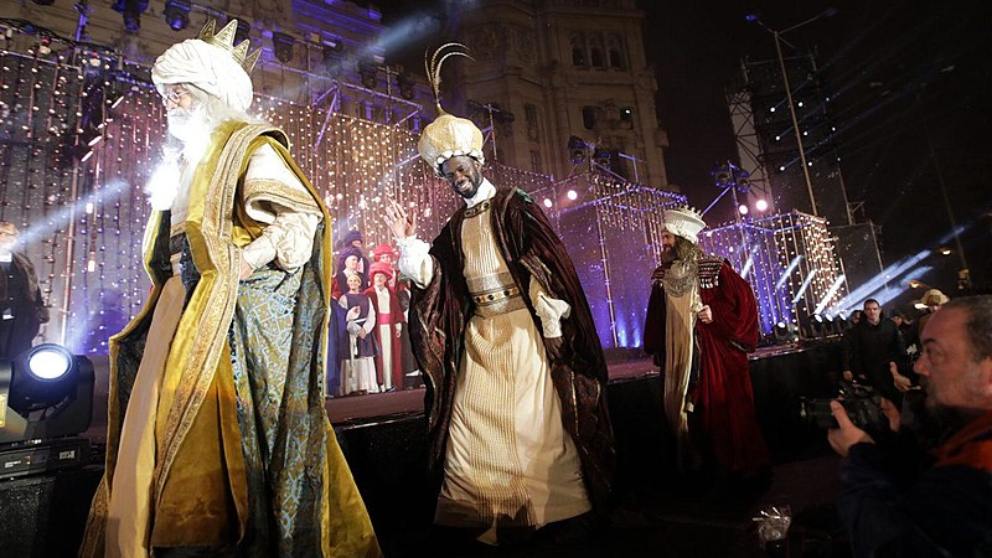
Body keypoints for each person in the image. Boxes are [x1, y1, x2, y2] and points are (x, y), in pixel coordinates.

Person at [80, 20, 378, 557]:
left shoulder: (246, 146)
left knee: (215, 427)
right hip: (178, 305)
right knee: (152, 422)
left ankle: (210, 535)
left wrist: (247, 259)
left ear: (211, 93)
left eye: (181, 91)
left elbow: (300, 219)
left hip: (223, 317)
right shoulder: (185, 161)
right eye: (166, 92)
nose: (170, 102)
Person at [384, 44, 614, 548]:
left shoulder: (515, 205)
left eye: (460, 165)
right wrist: (408, 245)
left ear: (477, 160)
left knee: (532, 422)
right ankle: (485, 512)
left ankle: (548, 508)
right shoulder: (451, 226)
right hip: (480, 336)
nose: (454, 175)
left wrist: (550, 310)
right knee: (473, 424)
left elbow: (545, 261)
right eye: (446, 171)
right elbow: (438, 282)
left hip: (522, 330)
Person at [828, 296, 992, 557]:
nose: (919, 366)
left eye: (934, 352)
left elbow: (892, 546)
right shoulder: (967, 434)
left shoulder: (980, 467)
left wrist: (858, 458)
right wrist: (898, 441)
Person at [643, 207, 769, 477]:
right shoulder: (662, 276)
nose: (663, 242)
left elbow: (745, 303)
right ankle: (695, 465)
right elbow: (656, 314)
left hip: (713, 352)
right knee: (682, 409)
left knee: (718, 407)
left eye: (668, 236)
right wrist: (659, 347)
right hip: (678, 352)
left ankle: (729, 468)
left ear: (683, 238)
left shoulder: (714, 267)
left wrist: (717, 314)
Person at [842, 299, 911, 403]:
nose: (872, 312)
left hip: (892, 366)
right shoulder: (858, 330)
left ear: (880, 310)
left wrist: (904, 362)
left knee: (899, 396)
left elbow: (899, 344)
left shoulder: (890, 325)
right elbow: (856, 351)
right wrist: (857, 369)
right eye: (868, 309)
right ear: (864, 311)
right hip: (872, 369)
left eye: (874, 309)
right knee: (883, 400)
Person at [0, 222, 48, 358]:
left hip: (22, 316)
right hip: (2, 313)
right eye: (8, 235)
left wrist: (38, 309)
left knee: (19, 354)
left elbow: (33, 287)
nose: (12, 239)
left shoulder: (22, 261)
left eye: (14, 235)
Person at [365, 262, 404, 392]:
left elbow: (397, 310)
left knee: (389, 355)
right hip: (376, 329)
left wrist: (398, 326)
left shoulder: (391, 294)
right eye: (377, 277)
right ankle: (379, 383)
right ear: (373, 278)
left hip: (389, 329)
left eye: (382, 277)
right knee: (379, 355)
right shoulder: (369, 293)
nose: (380, 279)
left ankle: (389, 382)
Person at [338, 273, 378, 396]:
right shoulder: (344, 298)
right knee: (352, 358)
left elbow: (372, 315)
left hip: (364, 333)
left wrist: (365, 329)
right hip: (351, 333)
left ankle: (365, 385)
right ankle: (352, 387)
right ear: (348, 283)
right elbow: (342, 317)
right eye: (351, 280)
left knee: (364, 358)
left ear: (359, 283)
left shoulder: (366, 298)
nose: (353, 282)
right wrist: (355, 329)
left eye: (356, 280)